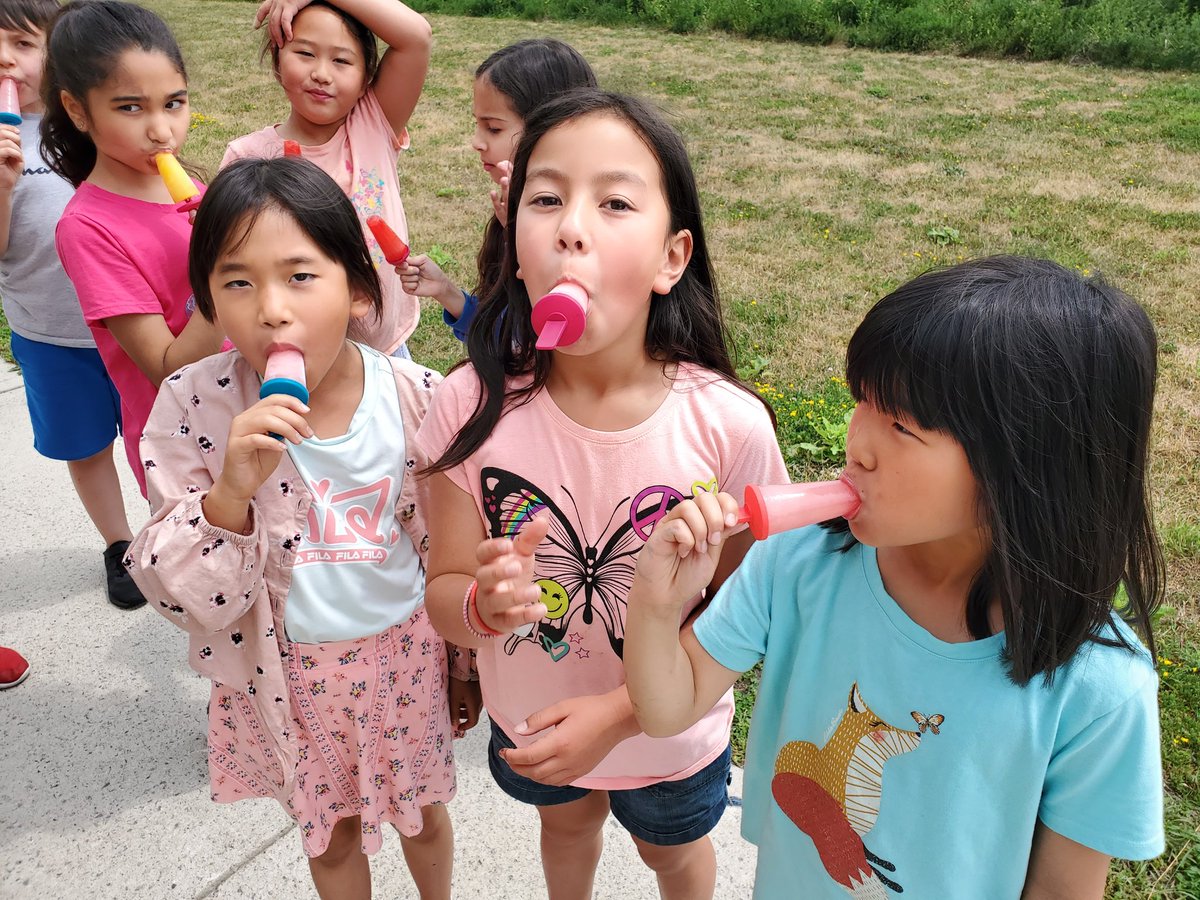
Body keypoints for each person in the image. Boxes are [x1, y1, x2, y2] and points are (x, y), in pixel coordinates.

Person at [624, 256, 1166, 898]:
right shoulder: (798, 563)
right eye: (862, 403)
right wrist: (657, 605)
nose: (858, 443)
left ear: (1026, 471)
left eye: (902, 426)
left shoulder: (1098, 687)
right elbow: (668, 708)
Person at [416, 89, 788, 900]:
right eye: (544, 198)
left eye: (614, 202)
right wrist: (482, 605)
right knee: (568, 826)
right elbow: (444, 595)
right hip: (539, 722)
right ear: (515, 244)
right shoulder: (469, 408)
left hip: (667, 732)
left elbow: (747, 611)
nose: (570, 227)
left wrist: (623, 712)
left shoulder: (728, 427)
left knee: (673, 854)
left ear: (672, 258)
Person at [127, 157, 472, 900]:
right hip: (287, 671)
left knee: (425, 812)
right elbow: (175, 591)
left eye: (300, 276)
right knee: (331, 833)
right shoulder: (194, 407)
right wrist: (230, 495)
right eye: (238, 281)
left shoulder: (415, 398)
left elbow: (450, 549)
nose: (271, 309)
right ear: (210, 301)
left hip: (403, 654)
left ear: (355, 290)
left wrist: (465, 664)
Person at [42, 0, 226, 499]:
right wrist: (226, 271)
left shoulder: (198, 192)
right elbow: (167, 367)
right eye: (130, 107)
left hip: (252, 416)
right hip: (188, 452)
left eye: (174, 102)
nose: (162, 130)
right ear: (77, 109)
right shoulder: (88, 228)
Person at [0, 0, 145, 608]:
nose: (6, 60)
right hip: (51, 335)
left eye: (23, 44)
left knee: (161, 441)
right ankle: (120, 546)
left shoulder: (91, 120)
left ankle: (185, 535)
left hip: (137, 329)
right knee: (85, 448)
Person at [222, 0, 431, 359]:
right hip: (295, 349)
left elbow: (416, 36)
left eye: (341, 60)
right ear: (277, 61)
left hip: (386, 349)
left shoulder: (374, 123)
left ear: (367, 79)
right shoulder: (247, 157)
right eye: (304, 53)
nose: (321, 73)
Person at [399, 38, 596, 342]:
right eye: (478, 125)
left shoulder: (586, 235)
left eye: (493, 128)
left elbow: (553, 341)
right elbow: (506, 335)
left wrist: (523, 233)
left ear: (552, 129)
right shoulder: (506, 217)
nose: (477, 142)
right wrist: (446, 291)